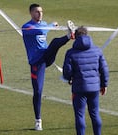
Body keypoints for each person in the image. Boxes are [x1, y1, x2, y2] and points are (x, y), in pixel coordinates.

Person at [22, 3, 75, 131]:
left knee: (55, 42)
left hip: (47, 56)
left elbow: (43, 28)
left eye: (41, 11)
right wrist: (51, 25)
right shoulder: (26, 27)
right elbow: (40, 30)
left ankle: (70, 35)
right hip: (37, 62)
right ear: (31, 13)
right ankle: (38, 121)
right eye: (36, 12)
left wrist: (51, 25)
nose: (40, 14)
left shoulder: (43, 23)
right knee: (38, 92)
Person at [63, 26, 109, 135]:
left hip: (79, 88)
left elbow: (67, 71)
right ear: (87, 35)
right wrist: (104, 84)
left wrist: (69, 78)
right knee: (95, 113)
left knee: (80, 115)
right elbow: (104, 69)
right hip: (94, 87)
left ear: (76, 37)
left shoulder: (71, 52)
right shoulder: (97, 50)